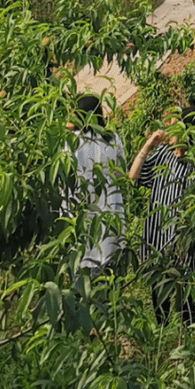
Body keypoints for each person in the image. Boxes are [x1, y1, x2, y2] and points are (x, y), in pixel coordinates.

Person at [129, 107, 195, 325]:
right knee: (158, 288)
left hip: (182, 238)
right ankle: (162, 331)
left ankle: (186, 334)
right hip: (157, 232)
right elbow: (134, 175)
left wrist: (185, 238)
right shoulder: (163, 155)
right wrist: (149, 144)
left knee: (184, 288)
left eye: (176, 127)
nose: (170, 131)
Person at [65, 95, 126, 276]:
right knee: (105, 273)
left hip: (80, 212)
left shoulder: (71, 143)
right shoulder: (113, 139)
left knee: (81, 269)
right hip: (109, 212)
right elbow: (120, 175)